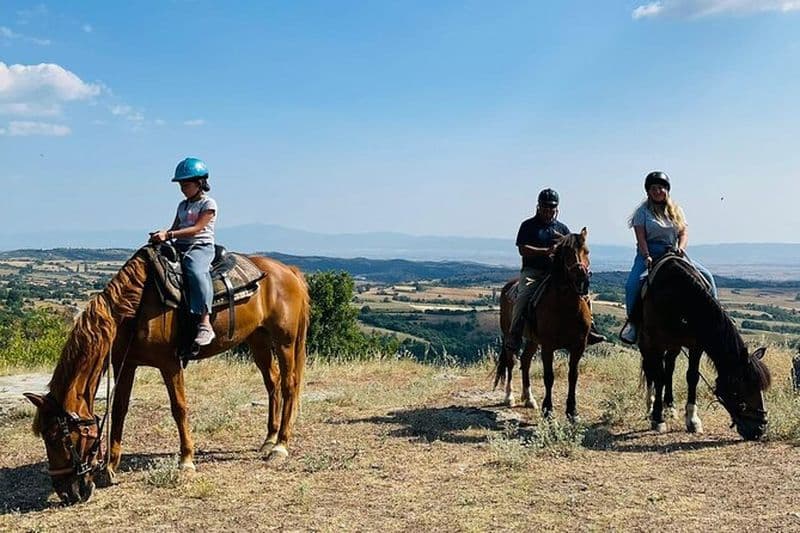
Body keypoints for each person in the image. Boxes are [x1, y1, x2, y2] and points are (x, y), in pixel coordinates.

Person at [620, 171, 718, 344]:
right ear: (648, 192)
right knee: (632, 285)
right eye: (654, 188)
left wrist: (680, 248)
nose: (658, 191)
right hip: (650, 253)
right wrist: (646, 256)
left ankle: (716, 318)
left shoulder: (676, 210)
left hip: (673, 252)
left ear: (667, 190)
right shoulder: (642, 212)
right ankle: (633, 324)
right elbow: (641, 238)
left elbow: (683, 232)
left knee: (707, 277)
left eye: (661, 188)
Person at [504, 188, 606, 354]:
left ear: (556, 209)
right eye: (545, 208)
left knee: (583, 295)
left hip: (556, 273)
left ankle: (590, 327)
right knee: (523, 295)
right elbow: (522, 249)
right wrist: (545, 252)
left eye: (552, 208)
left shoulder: (562, 229)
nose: (549, 212)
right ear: (539, 207)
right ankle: (515, 333)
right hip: (533, 272)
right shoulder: (528, 226)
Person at [149, 157, 218, 346]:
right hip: (180, 245)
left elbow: (197, 228)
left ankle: (205, 323)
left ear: (200, 183)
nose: (183, 189)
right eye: (181, 185)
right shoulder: (182, 205)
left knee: (196, 272)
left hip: (200, 246)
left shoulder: (208, 204)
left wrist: (169, 234)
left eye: (186, 185)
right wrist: (161, 235)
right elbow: (176, 226)